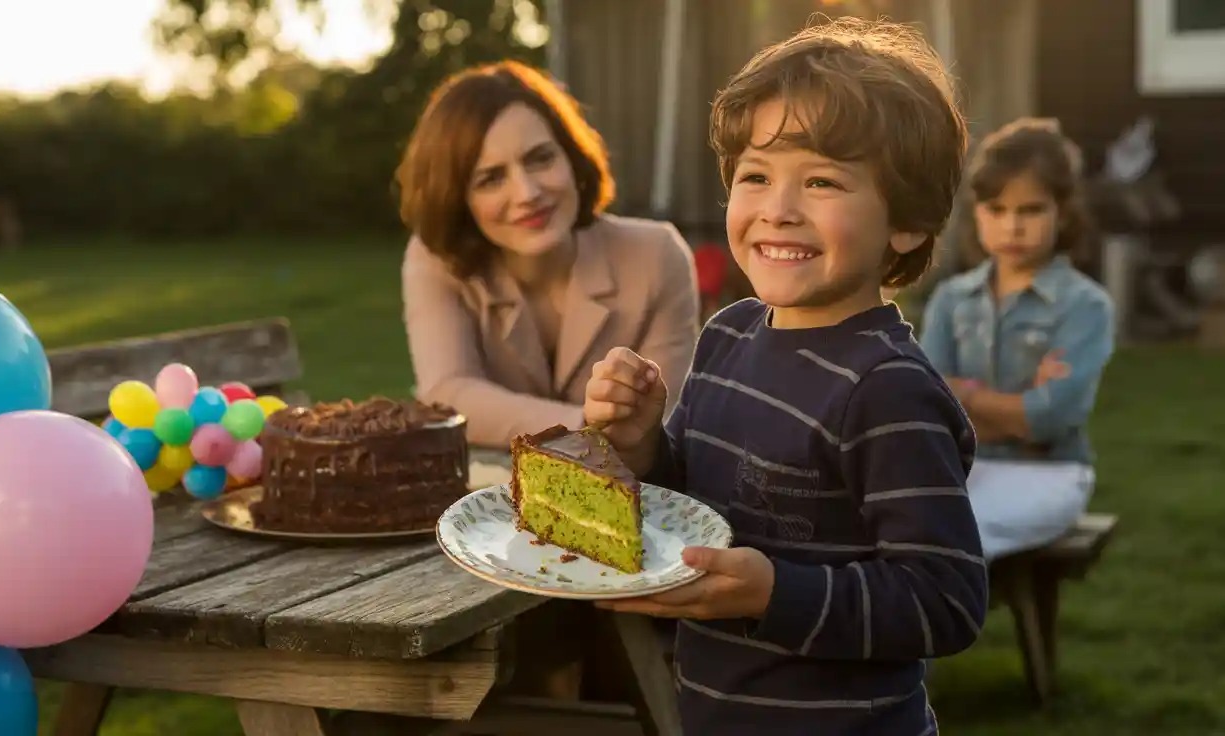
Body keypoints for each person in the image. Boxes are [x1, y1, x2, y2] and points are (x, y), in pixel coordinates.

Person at [583, 19, 986, 736]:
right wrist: (643, 447)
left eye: (822, 181)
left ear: (908, 222)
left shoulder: (886, 389)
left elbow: (945, 600)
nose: (778, 210)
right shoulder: (728, 336)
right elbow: (690, 507)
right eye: (757, 176)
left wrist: (774, 593)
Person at [397, 60, 700, 449]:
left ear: (571, 157)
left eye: (540, 158)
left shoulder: (656, 256)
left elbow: (661, 423)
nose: (527, 193)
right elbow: (447, 395)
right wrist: (586, 426)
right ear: (457, 198)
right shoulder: (436, 259)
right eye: (491, 178)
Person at [918, 117, 1116, 561]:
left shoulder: (1084, 306)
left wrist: (963, 392)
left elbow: (1049, 420)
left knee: (955, 535)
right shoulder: (952, 300)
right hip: (961, 468)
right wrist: (1018, 410)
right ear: (977, 212)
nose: (1012, 226)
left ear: (1063, 212)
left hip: (1049, 472)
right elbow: (924, 407)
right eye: (997, 209)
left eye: (1030, 210)